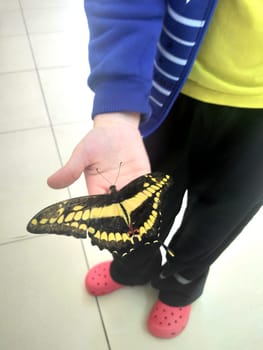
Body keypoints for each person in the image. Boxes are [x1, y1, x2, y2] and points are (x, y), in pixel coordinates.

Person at [47, 0, 263, 339]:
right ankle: (132, 268)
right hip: (170, 88)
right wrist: (117, 109)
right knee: (139, 204)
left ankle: (180, 286)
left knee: (218, 220)